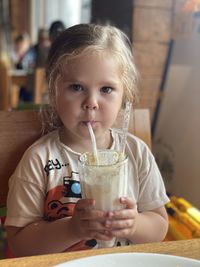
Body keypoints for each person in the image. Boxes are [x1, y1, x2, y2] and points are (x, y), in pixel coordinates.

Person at [5, 24, 169, 257]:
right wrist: (71, 229)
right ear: (53, 91)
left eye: (106, 89)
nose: (91, 102)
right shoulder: (39, 160)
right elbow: (20, 243)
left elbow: (160, 226)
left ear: (125, 94)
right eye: (77, 87)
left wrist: (135, 225)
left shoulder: (136, 153)